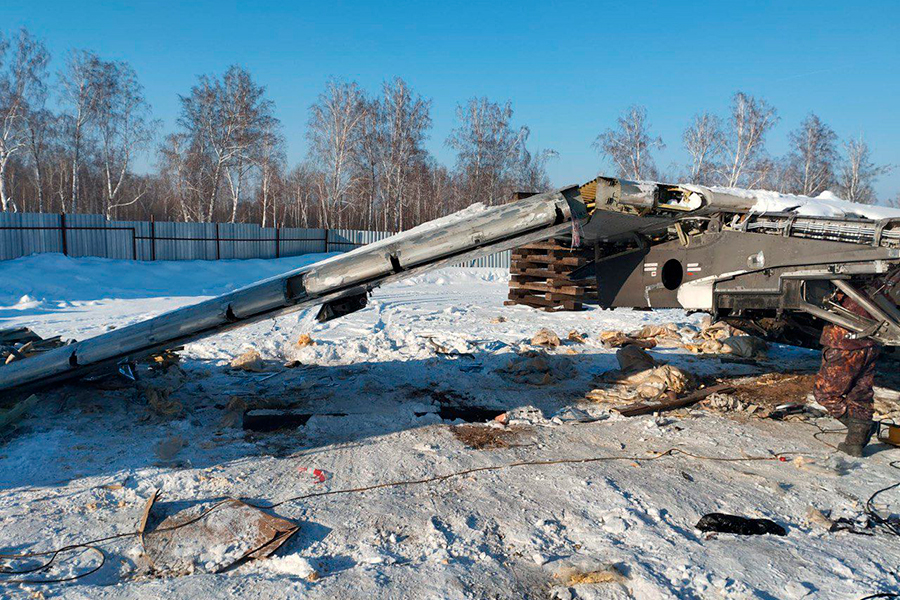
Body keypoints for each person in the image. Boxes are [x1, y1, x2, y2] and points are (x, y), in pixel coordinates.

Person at [813, 293, 880, 457]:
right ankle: (854, 443)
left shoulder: (848, 288)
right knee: (860, 394)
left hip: (847, 343)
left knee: (825, 393)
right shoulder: (881, 284)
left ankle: (860, 428)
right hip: (871, 343)